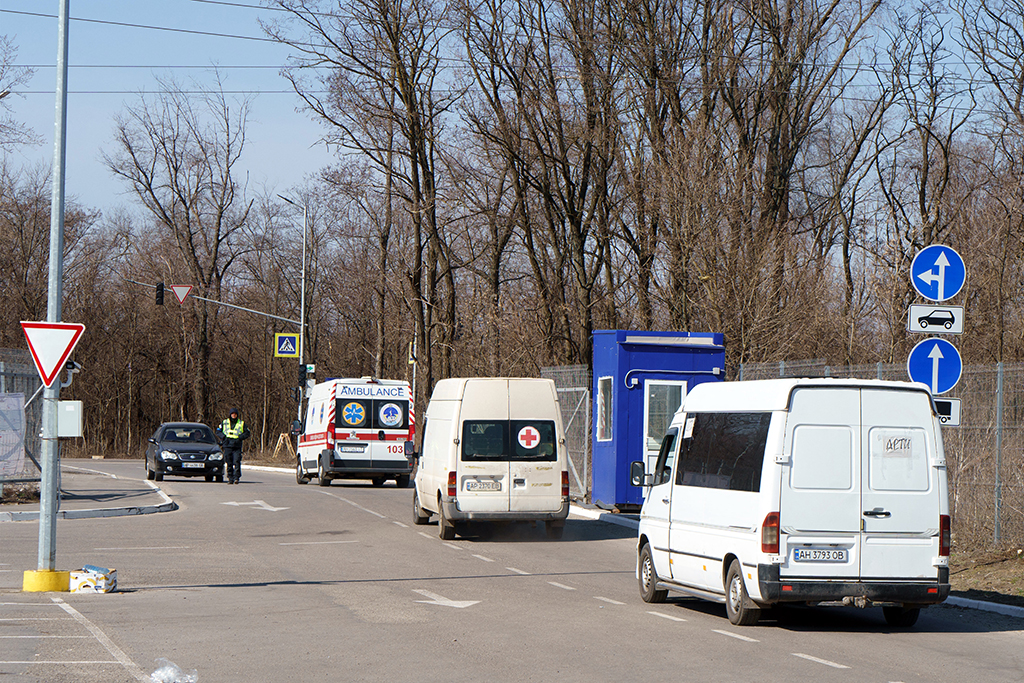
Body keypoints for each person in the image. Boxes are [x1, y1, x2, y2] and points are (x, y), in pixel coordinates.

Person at [216, 407, 250, 484]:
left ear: (237, 415)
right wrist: (223, 437)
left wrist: (240, 437)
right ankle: (230, 478)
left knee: (237, 461)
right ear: (230, 414)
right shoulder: (224, 422)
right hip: (227, 445)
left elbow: (247, 433)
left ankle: (237, 477)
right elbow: (218, 431)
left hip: (236, 445)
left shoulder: (241, 423)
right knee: (229, 462)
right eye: (232, 414)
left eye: (235, 414)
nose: (233, 415)